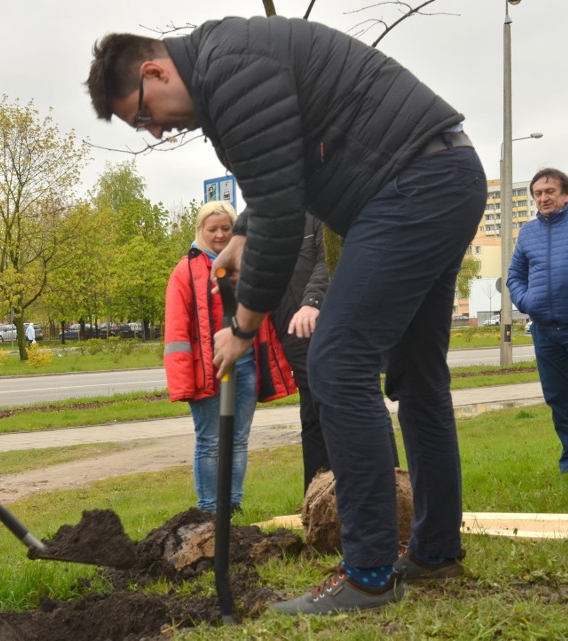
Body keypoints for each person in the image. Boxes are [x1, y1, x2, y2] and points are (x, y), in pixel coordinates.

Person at [87, 15, 487, 614]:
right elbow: (278, 174)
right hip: (438, 175)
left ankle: (370, 575)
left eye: (144, 115)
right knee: (417, 375)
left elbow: (281, 211)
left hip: (410, 184)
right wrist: (244, 230)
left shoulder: (228, 68)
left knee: (336, 364)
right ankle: (434, 553)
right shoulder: (227, 64)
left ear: (154, 71)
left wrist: (243, 327)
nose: (156, 131)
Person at [163, 200, 294, 513]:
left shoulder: (246, 266)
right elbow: (177, 331)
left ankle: (232, 505)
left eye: (226, 228)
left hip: (246, 366)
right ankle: (209, 508)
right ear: (201, 230)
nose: (220, 235)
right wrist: (183, 380)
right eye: (213, 229)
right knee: (210, 441)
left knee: (238, 439)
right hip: (207, 371)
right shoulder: (186, 271)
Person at [507, 168, 568, 478]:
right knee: (558, 399)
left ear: (566, 195)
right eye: (538, 193)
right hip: (544, 331)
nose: (543, 197)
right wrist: (527, 302)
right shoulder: (528, 233)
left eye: (549, 191)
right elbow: (514, 275)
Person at [273, 214, 331, 494]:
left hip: (327, 323)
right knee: (311, 418)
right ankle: (317, 498)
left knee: (347, 409)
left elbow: (328, 260)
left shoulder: (318, 213)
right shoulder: (269, 216)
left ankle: (385, 493)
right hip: (294, 333)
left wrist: (313, 301)